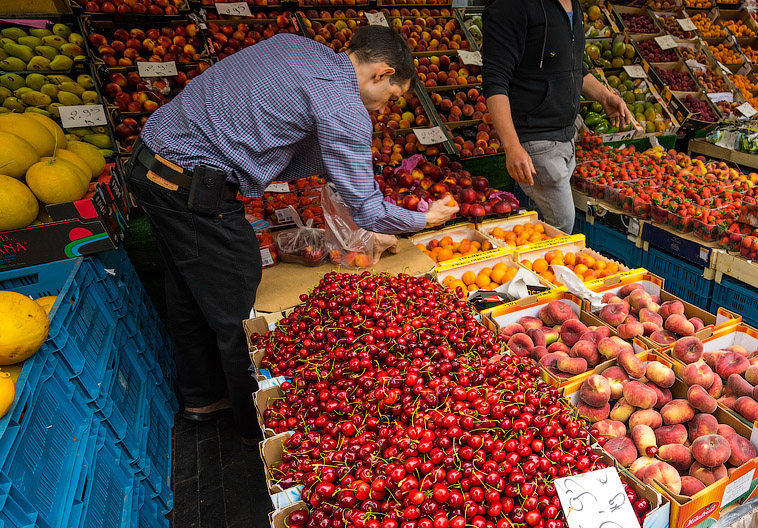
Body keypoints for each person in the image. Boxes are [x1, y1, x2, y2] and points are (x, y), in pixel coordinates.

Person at [128, 26, 459, 444]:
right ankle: (255, 427)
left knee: (190, 289)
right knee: (236, 294)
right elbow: (368, 209)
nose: (383, 108)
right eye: (391, 96)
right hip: (190, 183)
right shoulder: (342, 105)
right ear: (381, 72)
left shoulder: (297, 45)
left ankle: (203, 398)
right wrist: (425, 221)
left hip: (152, 163)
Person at [482, 0, 635, 235]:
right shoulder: (512, 5)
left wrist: (605, 97)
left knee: (541, 228)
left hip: (564, 136)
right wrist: (512, 146)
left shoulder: (573, 5)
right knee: (562, 226)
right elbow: (495, 81)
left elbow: (572, 67)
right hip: (536, 139)